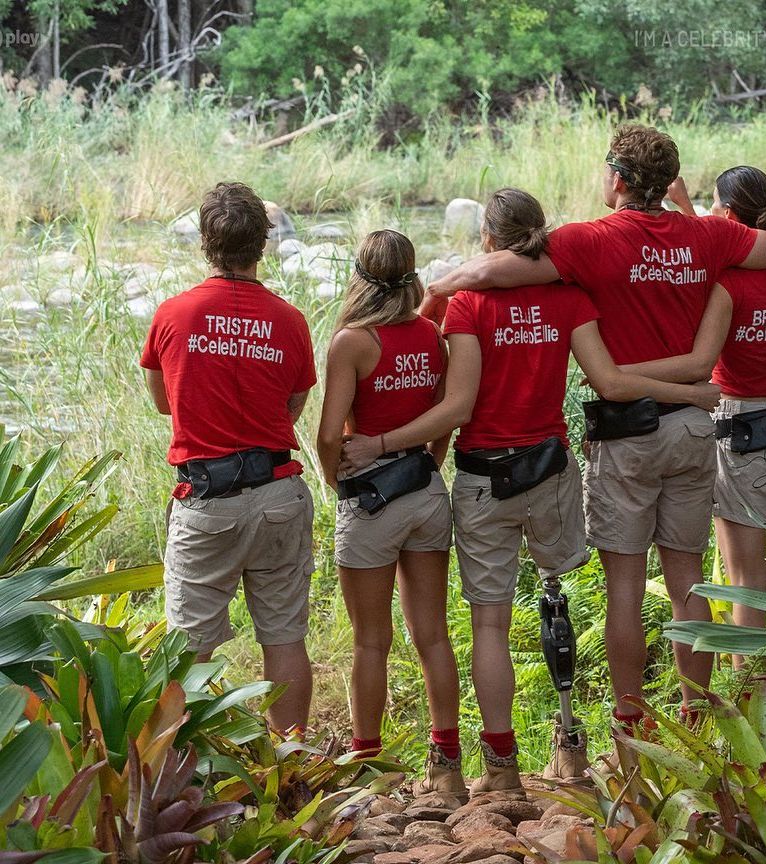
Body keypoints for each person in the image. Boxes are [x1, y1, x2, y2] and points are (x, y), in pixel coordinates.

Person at [421, 125, 766, 731]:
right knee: (687, 578)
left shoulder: (589, 241)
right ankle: (698, 719)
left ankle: (631, 726)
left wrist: (441, 286)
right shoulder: (708, 234)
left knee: (626, 587)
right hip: (691, 429)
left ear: (619, 179)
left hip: (627, 436)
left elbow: (498, 270)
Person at [339, 188, 721, 792]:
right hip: (551, 473)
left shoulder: (467, 306)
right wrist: (696, 390)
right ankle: (571, 743)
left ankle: (501, 768)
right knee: (555, 593)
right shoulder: (570, 299)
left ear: (487, 241)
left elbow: (448, 391)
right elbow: (608, 380)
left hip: (485, 476)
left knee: (490, 625)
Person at [141, 182, 316, 734]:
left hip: (206, 498)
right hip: (278, 493)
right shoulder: (289, 321)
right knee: (284, 635)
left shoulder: (174, 315)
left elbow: (162, 401)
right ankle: (292, 765)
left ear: (204, 241)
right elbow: (293, 404)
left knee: (189, 647)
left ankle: (188, 774)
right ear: (263, 245)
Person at [657, 168, 766, 685]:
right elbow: (732, 246)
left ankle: (752, 699)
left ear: (728, 217)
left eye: (716, 210)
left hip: (743, 433)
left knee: (747, 581)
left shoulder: (727, 286)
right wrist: (690, 206)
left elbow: (700, 358)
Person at [316, 230, 465, 796]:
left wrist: (337, 481)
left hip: (372, 497)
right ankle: (446, 761)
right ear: (412, 275)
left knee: (370, 640)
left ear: (359, 275)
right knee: (432, 635)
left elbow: (331, 432)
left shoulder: (352, 341)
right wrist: (428, 461)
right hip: (426, 489)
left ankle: (365, 765)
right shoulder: (431, 333)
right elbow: (443, 417)